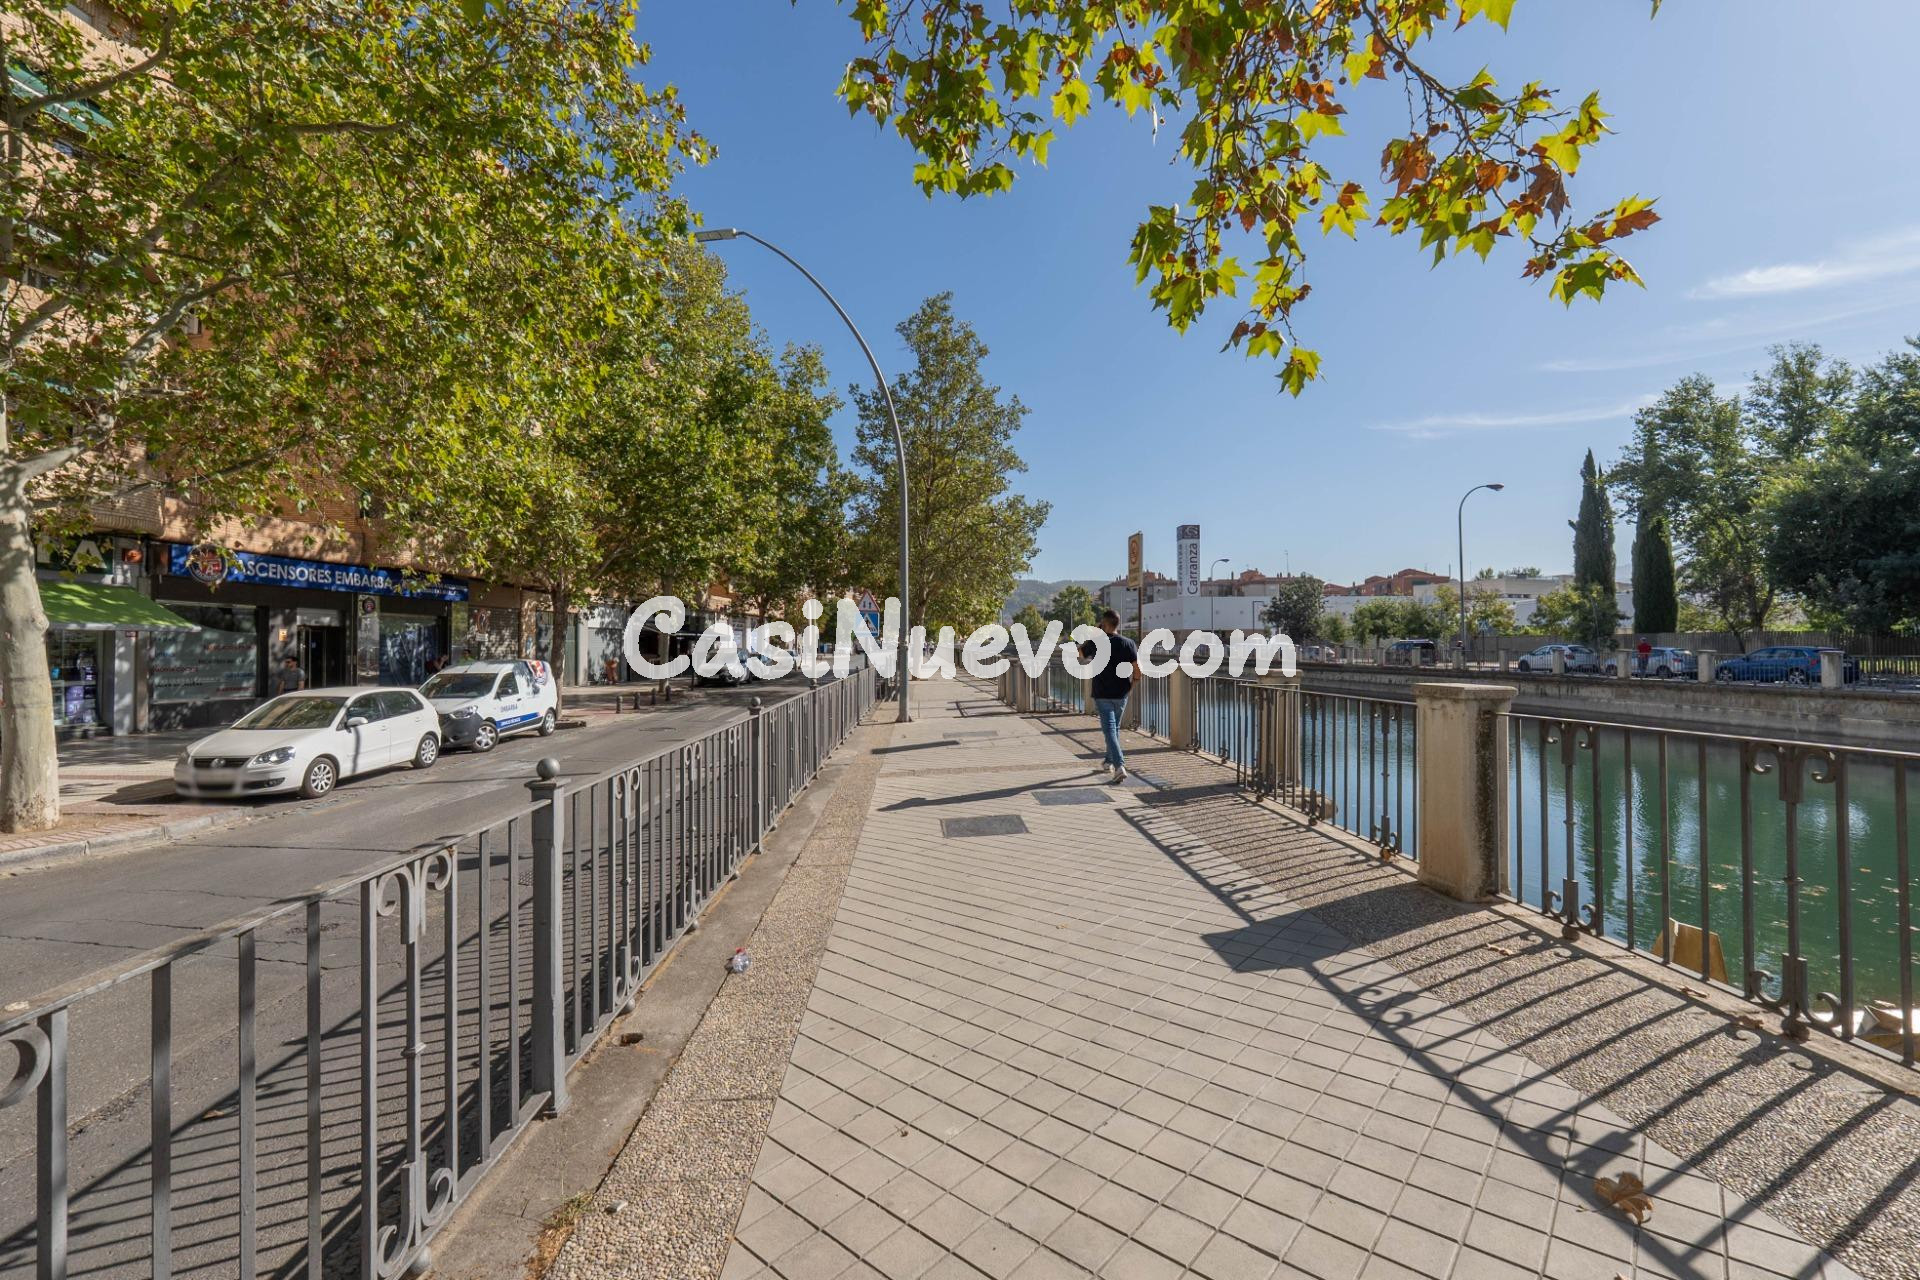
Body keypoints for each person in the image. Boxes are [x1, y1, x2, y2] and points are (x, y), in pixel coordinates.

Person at [1079, 609, 1141, 784]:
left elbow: (1080, 654)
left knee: (1110, 730)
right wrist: (1131, 687)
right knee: (1113, 730)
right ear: (1117, 624)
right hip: (1121, 694)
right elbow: (1137, 672)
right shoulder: (1129, 643)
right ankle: (1108, 761)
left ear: (1104, 624)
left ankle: (1119, 766)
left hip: (1103, 695)